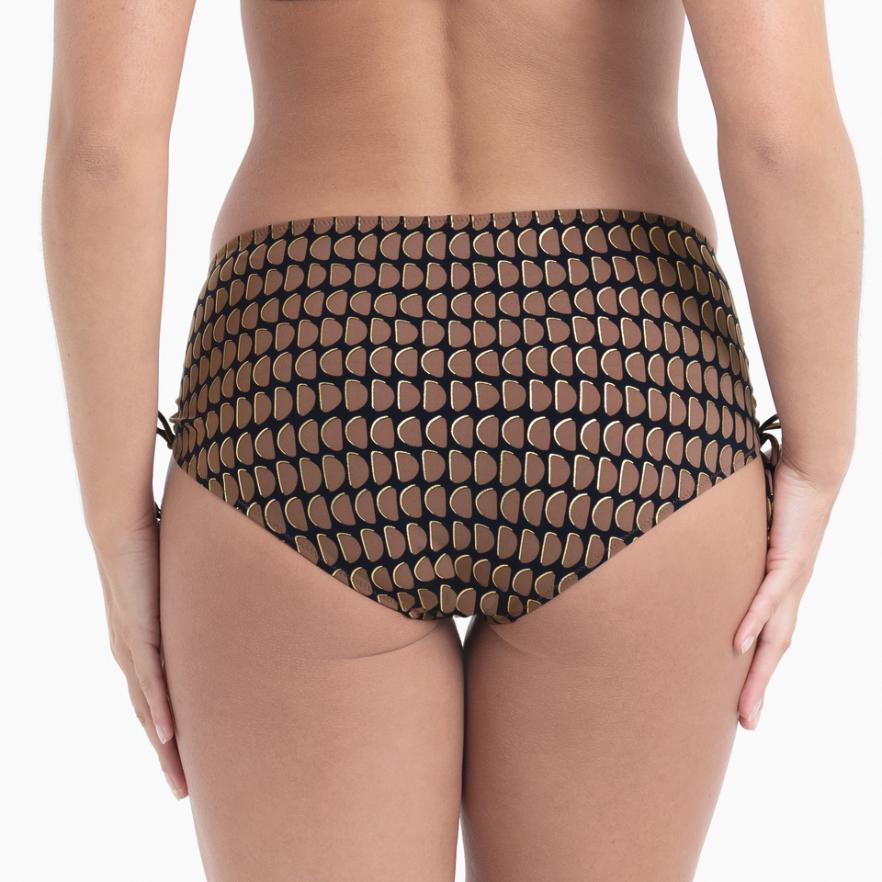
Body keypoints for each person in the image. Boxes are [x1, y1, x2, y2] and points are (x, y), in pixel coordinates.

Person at [42, 1, 862, 879]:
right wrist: (817, 458)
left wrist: (116, 518)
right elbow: (779, 137)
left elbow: (102, 152)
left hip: (304, 374)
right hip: (620, 368)